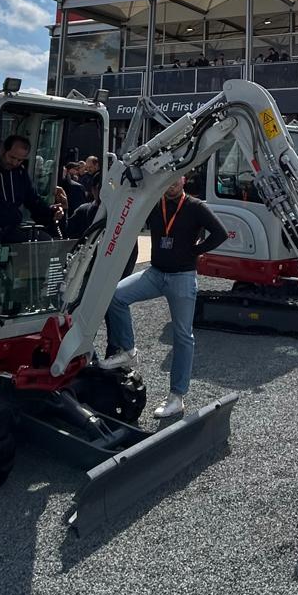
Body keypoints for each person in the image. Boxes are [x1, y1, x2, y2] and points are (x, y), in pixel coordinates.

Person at [102, 173, 229, 419]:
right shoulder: (154, 203)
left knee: (183, 336)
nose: (170, 185)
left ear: (184, 180)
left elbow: (220, 233)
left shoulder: (196, 207)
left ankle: (176, 397)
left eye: (175, 180)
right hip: (155, 273)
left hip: (182, 277)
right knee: (115, 296)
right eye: (166, 181)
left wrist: (196, 251)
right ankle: (128, 350)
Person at [0, 133, 64, 243]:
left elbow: (33, 201)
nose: (14, 163)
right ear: (3, 151)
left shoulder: (20, 173)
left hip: (11, 230)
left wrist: (52, 213)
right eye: (11, 157)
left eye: (20, 160)